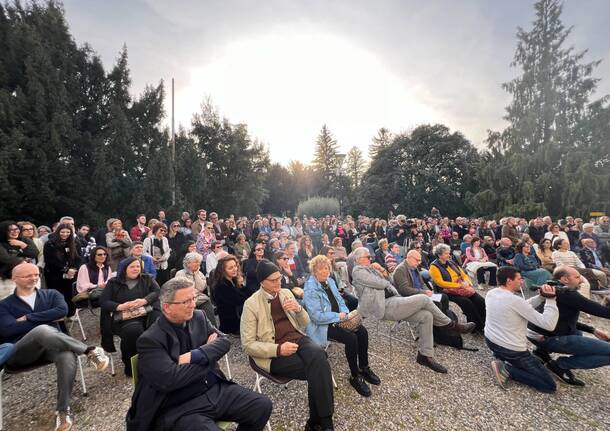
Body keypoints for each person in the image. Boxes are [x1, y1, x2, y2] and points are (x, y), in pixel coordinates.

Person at [126, 278, 272, 431]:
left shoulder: (198, 316)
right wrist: (209, 356)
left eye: (193, 298)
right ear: (167, 307)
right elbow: (170, 380)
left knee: (261, 405)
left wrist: (196, 354)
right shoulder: (150, 340)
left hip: (212, 389)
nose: (193, 304)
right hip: (180, 406)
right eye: (186, 301)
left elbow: (224, 342)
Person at [0, 262, 109, 431]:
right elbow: (8, 329)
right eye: (28, 275)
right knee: (43, 329)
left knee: (66, 356)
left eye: (36, 274)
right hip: (20, 353)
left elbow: (62, 312)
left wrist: (28, 317)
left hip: (52, 349)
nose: (34, 278)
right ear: (14, 278)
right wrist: (45, 319)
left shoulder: (51, 294)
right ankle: (88, 350)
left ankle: (63, 410)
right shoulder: (4, 305)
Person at [241, 260, 335, 431]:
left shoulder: (285, 293)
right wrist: (278, 349)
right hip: (274, 350)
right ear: (262, 282)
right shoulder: (251, 304)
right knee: (319, 368)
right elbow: (247, 345)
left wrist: (299, 310)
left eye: (279, 278)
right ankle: (321, 423)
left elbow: (305, 323)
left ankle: (319, 422)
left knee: (319, 358)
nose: (279, 282)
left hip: (297, 338)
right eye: (273, 280)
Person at [352, 247, 475, 373]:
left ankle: (425, 355)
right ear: (359, 259)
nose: (370, 259)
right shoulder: (358, 271)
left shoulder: (371, 269)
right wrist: (382, 276)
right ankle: (450, 325)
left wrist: (382, 269)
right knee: (424, 299)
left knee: (426, 315)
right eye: (368, 257)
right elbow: (381, 283)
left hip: (394, 300)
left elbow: (390, 281)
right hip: (383, 306)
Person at [304, 255, 380, 397]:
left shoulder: (330, 281)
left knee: (362, 332)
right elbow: (315, 316)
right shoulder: (310, 289)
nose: (325, 271)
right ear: (314, 271)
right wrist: (337, 317)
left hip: (339, 318)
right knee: (351, 338)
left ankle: (364, 367)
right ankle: (355, 376)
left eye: (327, 268)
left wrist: (345, 312)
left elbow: (340, 300)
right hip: (322, 325)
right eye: (321, 269)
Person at [528, 265, 610, 386]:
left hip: (538, 334)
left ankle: (541, 352)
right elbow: (604, 312)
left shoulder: (553, 287)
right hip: (548, 338)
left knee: (577, 333)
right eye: (577, 277)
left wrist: (592, 330)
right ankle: (561, 365)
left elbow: (561, 319)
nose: (581, 280)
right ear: (565, 279)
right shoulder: (568, 294)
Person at [485, 266, 559, 392]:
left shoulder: (492, 293)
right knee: (549, 385)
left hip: (492, 341)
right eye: (519, 279)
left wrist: (540, 297)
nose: (522, 281)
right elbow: (549, 324)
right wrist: (551, 299)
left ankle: (501, 358)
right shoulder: (515, 300)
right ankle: (507, 369)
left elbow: (521, 306)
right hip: (512, 350)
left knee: (537, 363)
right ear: (509, 281)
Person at [100, 257, 161, 376]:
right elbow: (104, 301)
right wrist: (121, 306)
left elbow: (157, 291)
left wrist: (144, 300)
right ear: (124, 269)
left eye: (138, 266)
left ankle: (156, 359)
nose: (136, 269)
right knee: (133, 331)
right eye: (132, 266)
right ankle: (133, 367)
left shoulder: (146, 278)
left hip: (147, 312)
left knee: (158, 324)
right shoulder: (114, 282)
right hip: (125, 318)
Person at [429, 244, 487, 332]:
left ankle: (485, 323)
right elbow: (440, 283)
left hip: (460, 287)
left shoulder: (451, 262)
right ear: (439, 255)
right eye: (446, 253)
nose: (449, 255)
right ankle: (476, 327)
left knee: (479, 300)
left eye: (449, 253)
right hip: (446, 291)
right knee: (467, 302)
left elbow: (463, 274)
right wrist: (459, 285)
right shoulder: (434, 266)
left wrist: (468, 282)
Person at [44, 224, 81, 317]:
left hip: (71, 274)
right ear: (58, 232)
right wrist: (65, 270)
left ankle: (71, 314)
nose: (65, 234)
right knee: (57, 295)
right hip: (54, 275)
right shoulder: (50, 244)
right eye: (63, 232)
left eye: (68, 232)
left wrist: (74, 269)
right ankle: (57, 315)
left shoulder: (75, 243)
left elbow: (79, 258)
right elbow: (50, 261)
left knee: (70, 294)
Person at [210, 255, 250, 334]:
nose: (235, 269)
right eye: (230, 268)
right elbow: (240, 299)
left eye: (235, 266)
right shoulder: (221, 286)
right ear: (223, 270)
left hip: (238, 319)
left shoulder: (233, 280)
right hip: (231, 326)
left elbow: (246, 291)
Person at [174, 252, 217, 325]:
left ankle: (212, 330)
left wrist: (195, 274)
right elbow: (182, 290)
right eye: (195, 262)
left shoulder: (199, 274)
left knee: (207, 304)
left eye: (199, 262)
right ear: (188, 263)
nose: (198, 264)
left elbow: (201, 288)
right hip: (185, 299)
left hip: (199, 298)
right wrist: (194, 291)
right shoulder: (180, 274)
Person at [0, 221, 39, 299]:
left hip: (23, 276)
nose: (15, 232)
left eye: (16, 229)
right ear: (4, 231)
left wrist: (22, 245)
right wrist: (22, 260)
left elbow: (34, 253)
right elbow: (6, 259)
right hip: (5, 276)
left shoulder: (24, 239)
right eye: (11, 230)